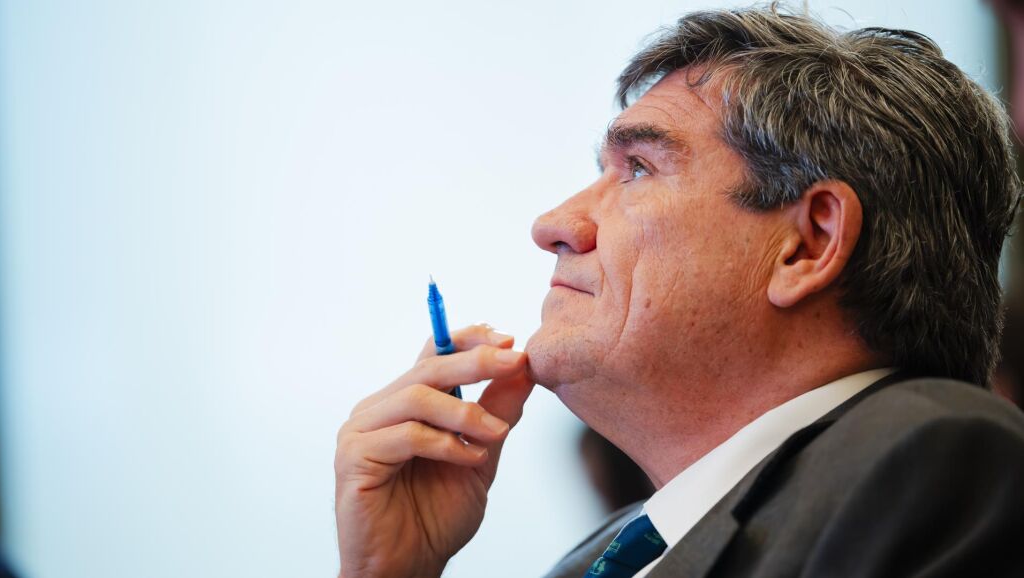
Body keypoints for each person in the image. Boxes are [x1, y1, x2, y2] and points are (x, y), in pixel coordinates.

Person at [333, 6, 1024, 578]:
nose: (553, 225)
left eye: (637, 168)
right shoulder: (594, 560)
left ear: (808, 243)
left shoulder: (940, 464)